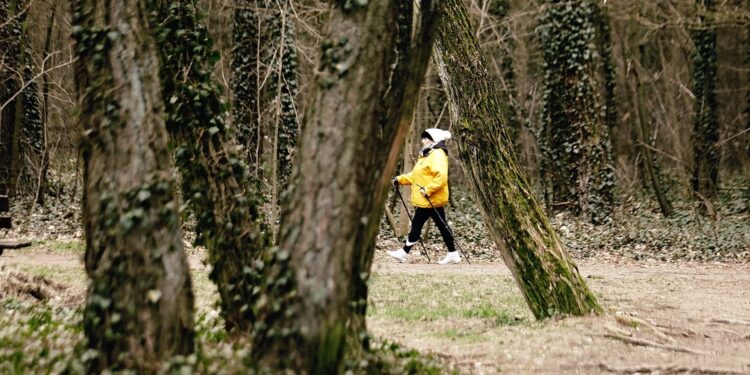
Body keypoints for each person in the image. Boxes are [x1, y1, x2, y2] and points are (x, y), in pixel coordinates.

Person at [388, 128, 460, 265]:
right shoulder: (427, 154)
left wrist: (427, 190)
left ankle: (403, 253)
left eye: (425, 138)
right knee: (442, 225)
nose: (422, 141)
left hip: (429, 198)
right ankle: (453, 253)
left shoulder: (437, 154)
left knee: (417, 224)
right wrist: (400, 179)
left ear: (434, 139)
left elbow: (442, 177)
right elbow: (417, 175)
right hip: (428, 198)